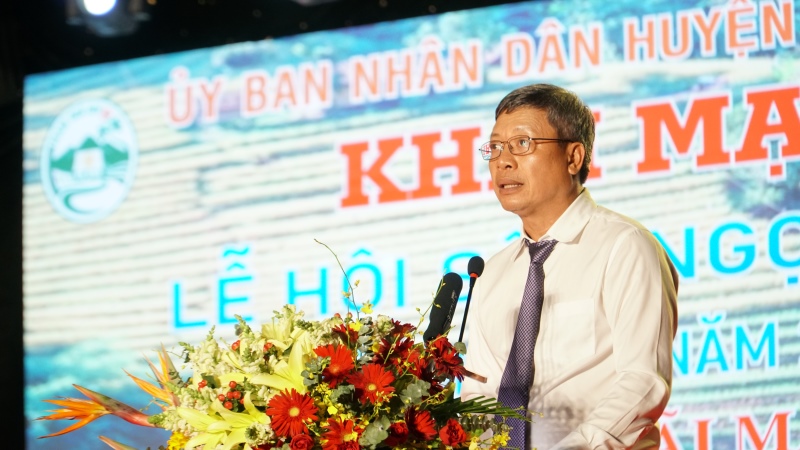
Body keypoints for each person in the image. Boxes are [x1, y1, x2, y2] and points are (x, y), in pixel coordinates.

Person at [459, 83, 678, 450]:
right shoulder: (492, 274)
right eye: (495, 147)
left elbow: (643, 381)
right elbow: (477, 397)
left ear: (573, 157)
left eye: (522, 144)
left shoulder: (625, 246)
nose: (503, 161)